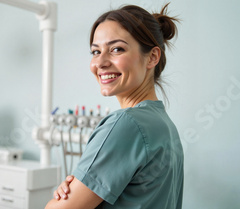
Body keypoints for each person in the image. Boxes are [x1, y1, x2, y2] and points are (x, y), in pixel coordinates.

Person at [45, 3, 183, 209]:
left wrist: (62, 200)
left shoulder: (126, 124)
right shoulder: (164, 125)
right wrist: (82, 186)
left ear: (152, 57)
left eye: (117, 49)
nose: (100, 62)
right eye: (95, 51)